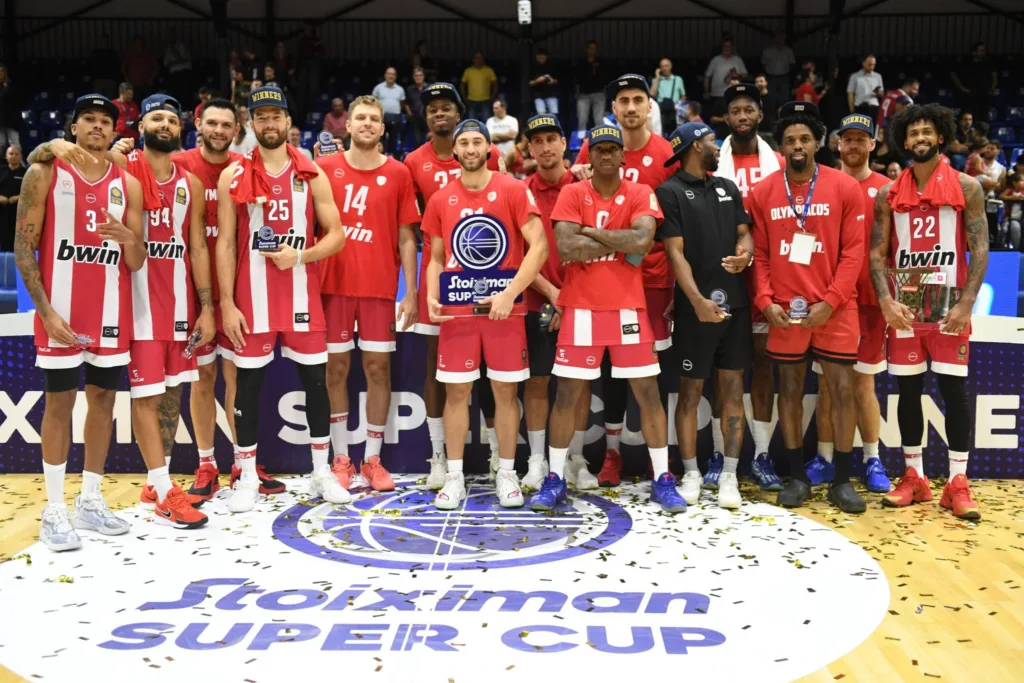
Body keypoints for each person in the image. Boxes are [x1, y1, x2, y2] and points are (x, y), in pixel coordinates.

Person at [14, 95, 146, 551]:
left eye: (105, 121)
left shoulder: (128, 185)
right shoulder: (44, 171)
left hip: (110, 313)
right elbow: (24, 248)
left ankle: (89, 500)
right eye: (88, 119)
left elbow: (136, 260)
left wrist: (130, 238)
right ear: (72, 128)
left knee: (103, 401)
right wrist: (46, 313)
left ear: (114, 132)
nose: (97, 126)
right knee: (59, 404)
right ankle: (53, 509)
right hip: (61, 313)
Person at [533, 124, 683, 513]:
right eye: (598, 149)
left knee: (647, 393)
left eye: (611, 149)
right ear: (589, 155)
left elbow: (642, 241)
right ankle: (555, 479)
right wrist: (619, 237)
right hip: (580, 308)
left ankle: (662, 478)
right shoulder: (572, 192)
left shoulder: (640, 192)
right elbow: (567, 246)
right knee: (567, 395)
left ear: (622, 156)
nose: (605, 155)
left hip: (628, 308)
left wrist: (591, 233)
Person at [215, 85, 348, 512]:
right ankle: (247, 476)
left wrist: (301, 256)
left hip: (301, 297)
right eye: (261, 117)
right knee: (247, 387)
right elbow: (225, 244)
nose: (269, 123)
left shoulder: (311, 173)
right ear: (250, 124)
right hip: (250, 300)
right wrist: (226, 303)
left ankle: (321, 472)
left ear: (288, 122)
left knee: (316, 384)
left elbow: (337, 235)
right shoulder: (232, 175)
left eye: (276, 116)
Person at [869, 103, 988, 520]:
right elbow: (877, 253)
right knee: (908, 393)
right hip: (906, 310)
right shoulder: (887, 194)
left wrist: (966, 304)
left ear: (940, 136)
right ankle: (914, 477)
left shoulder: (968, 186)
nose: (920, 138)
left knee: (955, 393)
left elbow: (980, 249)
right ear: (904, 141)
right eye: (912, 133)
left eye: (926, 132)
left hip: (949, 310)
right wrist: (886, 301)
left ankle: (957, 482)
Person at [748, 100, 868, 514]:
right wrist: (765, 301)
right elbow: (760, 254)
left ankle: (842, 480)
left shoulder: (845, 187)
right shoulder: (763, 192)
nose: (797, 145)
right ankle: (797, 476)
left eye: (804, 139)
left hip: (836, 308)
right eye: (789, 140)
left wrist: (831, 301)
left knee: (843, 390)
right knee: (789, 391)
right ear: (780, 147)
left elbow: (854, 253)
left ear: (818, 143)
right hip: (786, 310)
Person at [422, 120, 547, 509]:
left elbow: (540, 246)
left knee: (506, 392)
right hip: (458, 309)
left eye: (478, 141)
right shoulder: (442, 198)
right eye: (464, 142)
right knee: (456, 393)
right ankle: (455, 477)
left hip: (504, 309)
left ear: (489, 148)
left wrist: (510, 293)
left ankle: (506, 473)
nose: (471, 148)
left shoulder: (513, 189)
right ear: (455, 151)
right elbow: (436, 257)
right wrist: (431, 295)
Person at [570, 74, 677, 487]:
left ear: (650, 106)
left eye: (637, 100)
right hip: (605, 280)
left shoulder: (665, 153)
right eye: (623, 101)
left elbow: (674, 225)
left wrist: (675, 283)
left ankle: (657, 459)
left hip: (654, 280)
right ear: (612, 109)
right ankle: (612, 454)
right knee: (611, 370)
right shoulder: (594, 148)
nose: (631, 107)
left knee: (652, 374)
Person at [401, 83, 505, 488]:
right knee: (436, 369)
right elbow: (409, 229)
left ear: (460, 114)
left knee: (491, 369)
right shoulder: (413, 161)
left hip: (487, 276)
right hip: (441, 279)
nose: (439, 113)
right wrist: (412, 292)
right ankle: (438, 456)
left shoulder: (487, 154)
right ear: (425, 117)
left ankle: (497, 454)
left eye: (446, 107)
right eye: (432, 109)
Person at [315, 95, 421, 495]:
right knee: (336, 371)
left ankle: (372, 460)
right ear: (347, 125)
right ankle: (342, 458)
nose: (366, 124)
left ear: (382, 127)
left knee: (378, 370)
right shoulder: (324, 169)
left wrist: (410, 292)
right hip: (333, 287)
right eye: (360, 117)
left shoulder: (398, 172)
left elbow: (407, 236)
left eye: (374, 119)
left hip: (378, 289)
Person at [658, 122, 753, 509]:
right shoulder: (669, 191)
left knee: (732, 391)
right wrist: (696, 300)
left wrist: (746, 253)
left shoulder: (728, 186)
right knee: (690, 393)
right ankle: (692, 473)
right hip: (693, 310)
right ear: (696, 146)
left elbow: (744, 232)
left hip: (735, 305)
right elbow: (674, 253)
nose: (718, 146)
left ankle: (729, 475)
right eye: (713, 140)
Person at [806, 114, 891, 494]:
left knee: (862, 384)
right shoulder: (820, 185)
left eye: (861, 139)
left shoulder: (887, 189)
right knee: (827, 386)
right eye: (848, 139)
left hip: (869, 303)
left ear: (873, 144)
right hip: (829, 301)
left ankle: (872, 458)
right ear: (838, 144)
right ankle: (824, 458)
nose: (854, 145)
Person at [171, 99, 248, 501]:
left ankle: (243, 462)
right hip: (192, 293)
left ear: (237, 129)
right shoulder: (178, 164)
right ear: (198, 123)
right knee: (202, 380)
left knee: (236, 379)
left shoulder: (245, 167)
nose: (219, 130)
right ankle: (206, 464)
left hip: (236, 293)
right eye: (212, 123)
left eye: (226, 125)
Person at [710, 83, 784, 491]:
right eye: (735, 110)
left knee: (763, 363)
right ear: (727, 118)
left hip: (766, 271)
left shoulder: (779, 162)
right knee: (722, 366)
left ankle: (762, 454)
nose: (742, 116)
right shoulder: (712, 160)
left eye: (748, 110)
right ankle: (719, 452)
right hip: (724, 272)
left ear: (759, 115)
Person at [520, 114, 574, 488]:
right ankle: (537, 461)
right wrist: (553, 294)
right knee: (538, 382)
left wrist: (568, 298)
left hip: (581, 301)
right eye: (537, 141)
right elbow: (517, 255)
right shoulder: (520, 191)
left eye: (551, 139)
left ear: (564, 143)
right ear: (529, 149)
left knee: (575, 385)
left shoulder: (585, 187)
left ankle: (574, 460)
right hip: (536, 300)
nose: (545, 147)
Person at [950, 42, 997, 123]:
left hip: (985, 95)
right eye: (981, 50)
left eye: (984, 50)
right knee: (970, 118)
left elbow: (994, 76)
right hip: (971, 95)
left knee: (983, 119)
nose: (983, 52)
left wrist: (992, 88)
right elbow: (953, 75)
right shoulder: (966, 64)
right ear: (974, 52)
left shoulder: (988, 63)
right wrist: (962, 88)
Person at [372, 66, 410, 157]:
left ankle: (393, 160)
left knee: (394, 141)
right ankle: (379, 159)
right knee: (380, 140)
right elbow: (373, 102)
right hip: (381, 118)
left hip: (396, 118)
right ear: (385, 75)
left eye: (393, 74)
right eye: (389, 74)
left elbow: (402, 104)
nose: (391, 76)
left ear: (395, 76)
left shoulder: (400, 89)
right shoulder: (378, 88)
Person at [575, 40, 605, 133]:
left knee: (599, 120)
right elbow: (577, 79)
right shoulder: (581, 63)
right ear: (586, 49)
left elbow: (606, 77)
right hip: (583, 94)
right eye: (590, 48)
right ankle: (581, 139)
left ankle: (599, 139)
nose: (592, 50)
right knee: (582, 119)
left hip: (599, 93)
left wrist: (604, 91)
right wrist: (577, 92)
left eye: (594, 49)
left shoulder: (601, 62)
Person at [0, 144, 26, 251]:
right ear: (6, 156)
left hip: (20, 214)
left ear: (21, 156)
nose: (14, 156)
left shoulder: (27, 173)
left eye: (16, 154)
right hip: (2, 212)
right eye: (11, 154)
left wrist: (19, 197)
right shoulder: (1, 170)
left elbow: (34, 191)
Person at [460, 52, 498, 122]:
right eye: (476, 58)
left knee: (487, 121)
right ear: (473, 59)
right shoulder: (468, 71)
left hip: (486, 100)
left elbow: (495, 83)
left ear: (483, 60)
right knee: (471, 121)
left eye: (480, 58)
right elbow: (462, 84)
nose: (478, 60)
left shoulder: (489, 70)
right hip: (471, 100)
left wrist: (493, 96)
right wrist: (464, 96)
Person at [761, 31, 795, 107]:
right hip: (771, 78)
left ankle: (783, 113)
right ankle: (772, 113)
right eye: (779, 37)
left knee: (784, 98)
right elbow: (763, 64)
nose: (781, 39)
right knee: (771, 98)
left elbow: (792, 63)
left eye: (783, 38)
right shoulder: (767, 51)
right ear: (775, 38)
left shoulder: (788, 50)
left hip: (784, 78)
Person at [651, 58, 685, 133]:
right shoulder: (656, 80)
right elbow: (652, 94)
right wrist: (657, 77)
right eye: (662, 66)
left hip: (675, 110)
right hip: (661, 111)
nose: (664, 68)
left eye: (666, 66)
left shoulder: (678, 79)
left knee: (676, 133)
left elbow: (683, 96)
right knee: (661, 133)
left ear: (671, 66)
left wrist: (680, 109)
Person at [998, 173, 1024, 250]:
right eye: (1022, 180)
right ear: (1014, 183)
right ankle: (1016, 248)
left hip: (1022, 218)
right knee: (1012, 227)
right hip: (1011, 218)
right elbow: (1001, 196)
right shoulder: (1010, 190)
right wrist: (1013, 198)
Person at [529, 48, 559, 115]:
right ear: (536, 57)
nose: (542, 59)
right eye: (540, 57)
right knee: (541, 115)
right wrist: (537, 81)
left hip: (551, 94)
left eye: (543, 58)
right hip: (538, 95)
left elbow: (557, 80)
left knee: (553, 115)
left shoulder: (551, 65)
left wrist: (552, 81)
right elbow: (528, 83)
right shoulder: (531, 66)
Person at [754, 74, 779, 148]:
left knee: (775, 153)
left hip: (772, 131)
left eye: (761, 81)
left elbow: (779, 112)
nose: (759, 83)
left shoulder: (774, 96)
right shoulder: (754, 98)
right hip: (758, 132)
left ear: (766, 83)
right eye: (757, 82)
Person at [406, 69, 429, 147]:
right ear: (413, 77)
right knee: (417, 141)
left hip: (427, 118)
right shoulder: (410, 89)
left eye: (420, 75)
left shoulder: (429, 88)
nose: (418, 77)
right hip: (415, 118)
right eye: (416, 76)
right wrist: (409, 113)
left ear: (423, 77)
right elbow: (406, 103)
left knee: (429, 139)